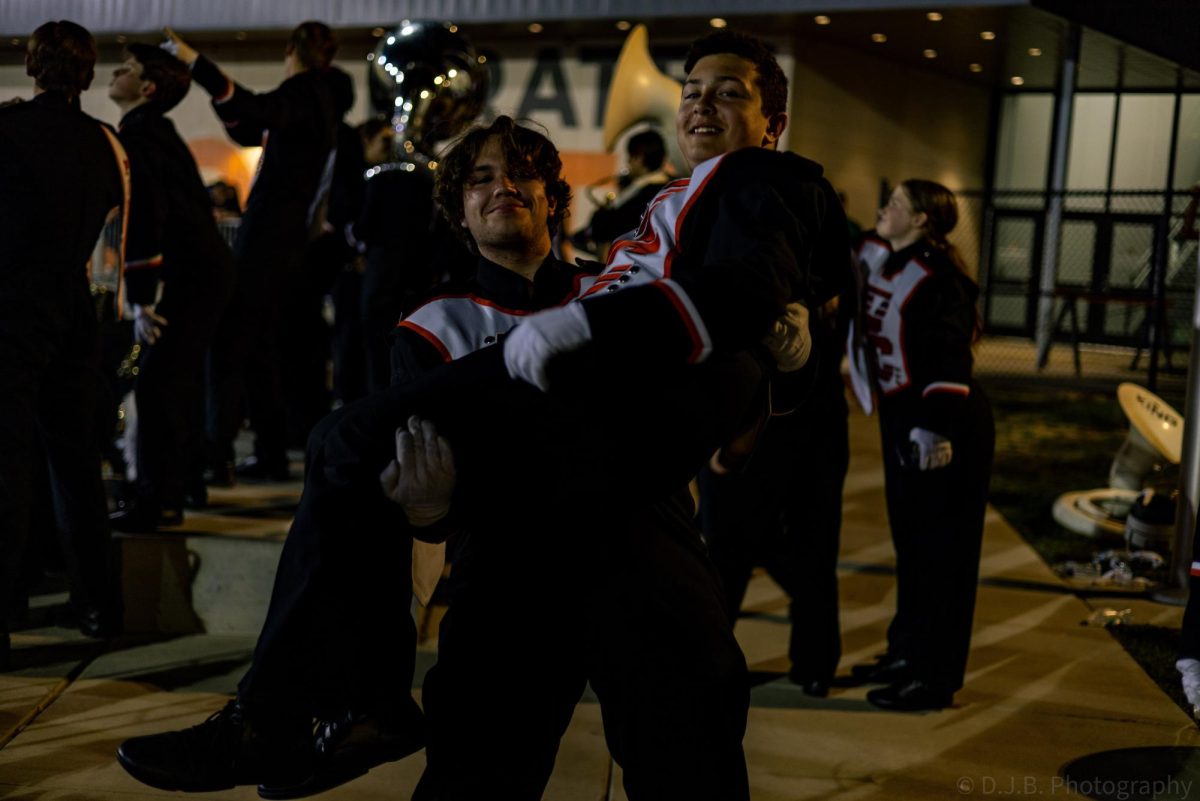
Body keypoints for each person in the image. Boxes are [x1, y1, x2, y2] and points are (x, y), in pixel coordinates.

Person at [116, 29, 845, 799]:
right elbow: (418, 500)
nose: (509, 189)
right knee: (474, 778)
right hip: (510, 576)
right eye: (484, 179)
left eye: (529, 175)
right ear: (457, 212)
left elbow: (732, 398)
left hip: (647, 561)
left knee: (691, 770)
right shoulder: (431, 325)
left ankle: (302, 713)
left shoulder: (614, 290)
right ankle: (320, 706)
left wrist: (789, 356)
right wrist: (430, 509)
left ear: (555, 200)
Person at [0, 20, 128, 670]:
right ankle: (99, 604)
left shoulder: (8, 130)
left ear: (31, 65)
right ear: (86, 72)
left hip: (11, 307)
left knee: (7, 461)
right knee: (77, 465)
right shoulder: (103, 143)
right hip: (73, 308)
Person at [163, 22, 341, 484]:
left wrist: (194, 62)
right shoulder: (317, 99)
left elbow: (252, 110)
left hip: (269, 241)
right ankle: (265, 451)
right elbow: (247, 125)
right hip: (283, 244)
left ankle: (215, 454)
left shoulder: (304, 91)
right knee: (261, 350)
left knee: (229, 345)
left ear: (290, 51)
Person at [846, 179, 994, 712]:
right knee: (912, 547)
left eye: (896, 205)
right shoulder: (880, 252)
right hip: (903, 418)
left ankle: (935, 678)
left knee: (943, 556)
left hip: (942, 425)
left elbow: (951, 360)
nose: (884, 210)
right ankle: (906, 653)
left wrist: (936, 428)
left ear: (922, 221)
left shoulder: (940, 278)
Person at [697, 247, 853, 698]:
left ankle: (709, 666)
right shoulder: (835, 276)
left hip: (763, 432)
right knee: (814, 550)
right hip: (821, 426)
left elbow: (754, 371)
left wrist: (728, 449)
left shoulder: (757, 276)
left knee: (726, 556)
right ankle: (816, 665)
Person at [105, 42, 235, 532]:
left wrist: (140, 297)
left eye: (128, 69)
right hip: (203, 273)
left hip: (194, 276)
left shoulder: (142, 135)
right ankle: (175, 490)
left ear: (147, 87)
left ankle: (157, 501)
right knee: (174, 384)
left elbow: (146, 217)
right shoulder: (153, 131)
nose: (115, 72)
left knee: (160, 387)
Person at [574, 128, 671, 260]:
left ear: (639, 158)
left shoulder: (649, 191)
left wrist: (600, 215)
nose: (628, 162)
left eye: (630, 157)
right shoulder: (668, 186)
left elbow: (609, 224)